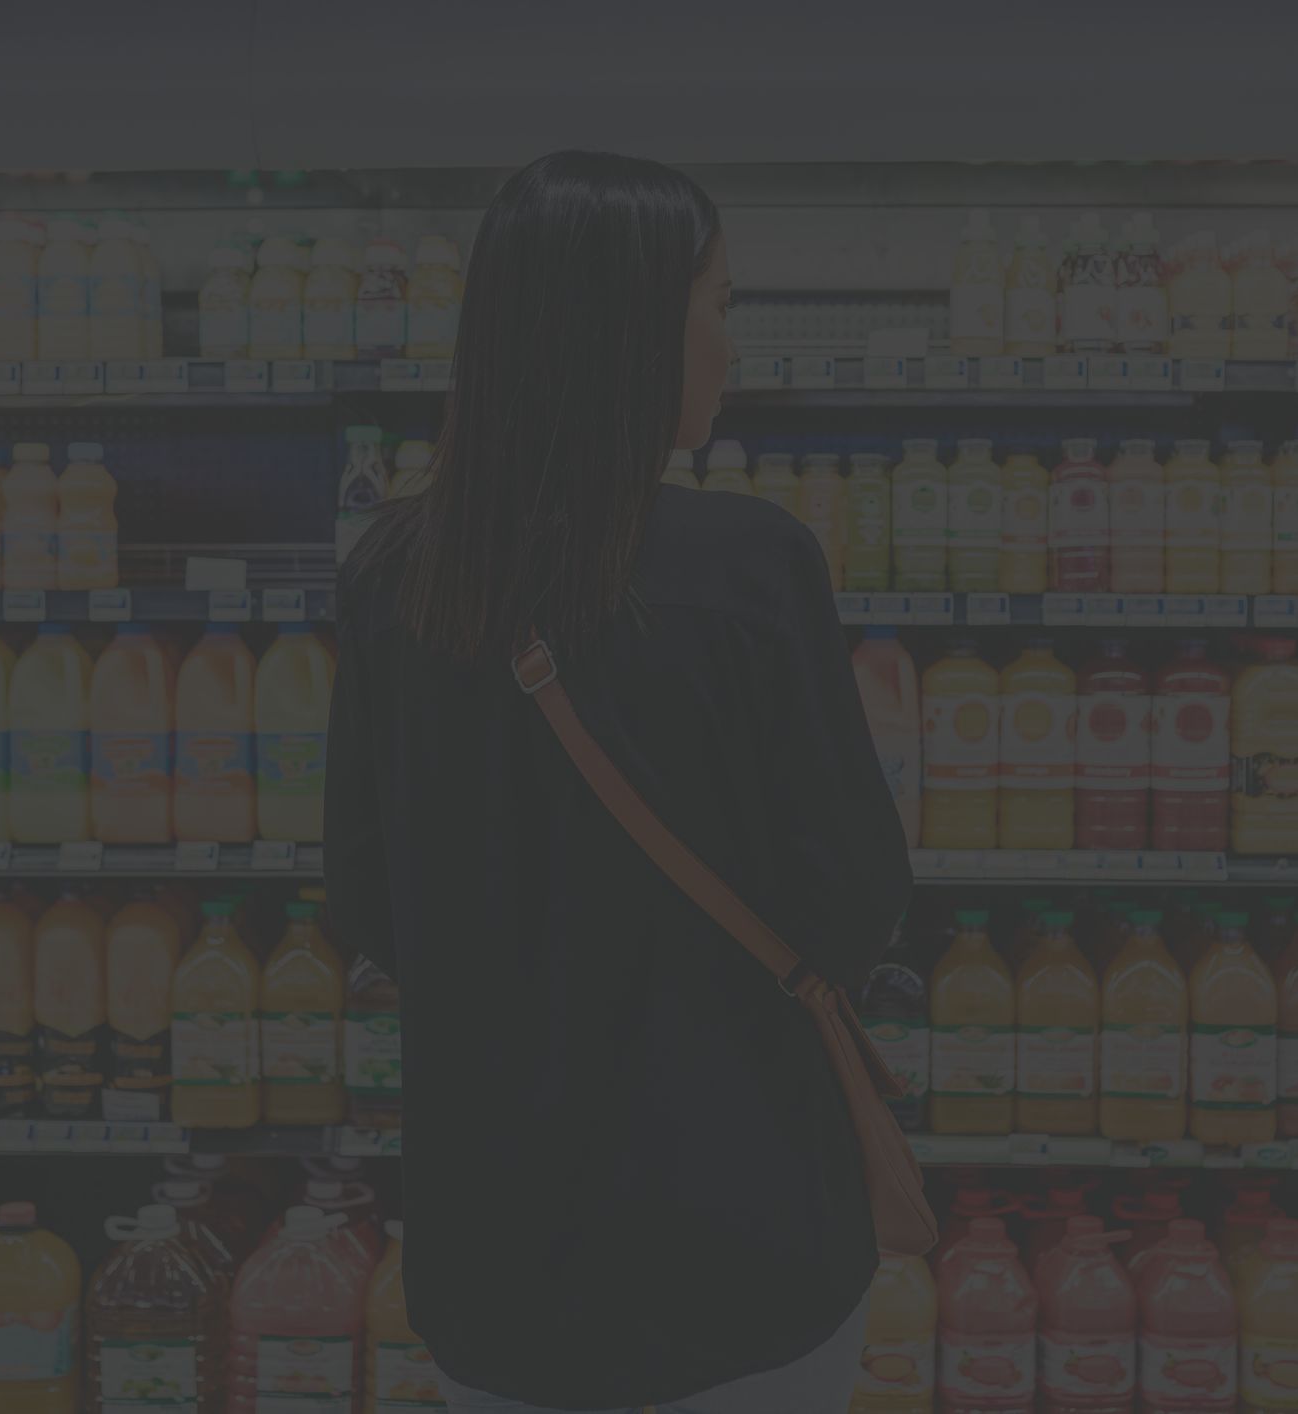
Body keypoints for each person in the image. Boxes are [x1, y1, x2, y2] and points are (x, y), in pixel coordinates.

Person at [326, 150, 912, 1413]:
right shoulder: (753, 570)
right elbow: (855, 900)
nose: (730, 346)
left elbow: (371, 904)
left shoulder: (391, 578)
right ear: (637, 327)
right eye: (721, 304)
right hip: (744, 1242)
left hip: (500, 1262)